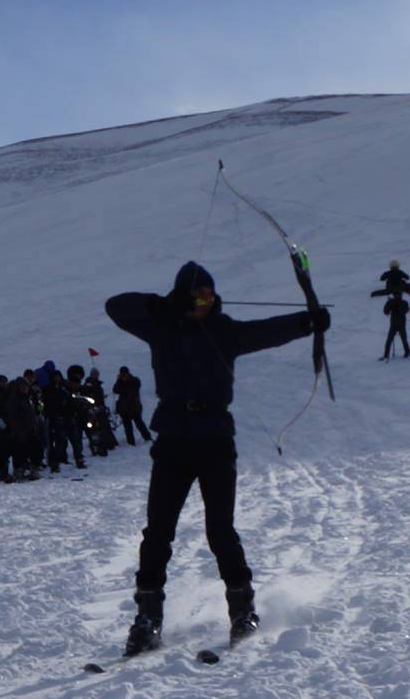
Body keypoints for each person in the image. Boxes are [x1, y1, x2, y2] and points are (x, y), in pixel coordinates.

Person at [104, 261, 330, 654]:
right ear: (183, 297)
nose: (207, 301)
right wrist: (164, 305)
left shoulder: (224, 331)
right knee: (158, 532)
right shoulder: (160, 327)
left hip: (215, 442)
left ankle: (243, 612)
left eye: (210, 294)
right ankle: (147, 620)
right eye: (200, 295)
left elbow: (266, 332)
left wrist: (307, 322)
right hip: (173, 441)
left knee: (220, 531)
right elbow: (115, 306)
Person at [112, 365, 150, 446]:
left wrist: (125, 381)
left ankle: (147, 438)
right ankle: (131, 442)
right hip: (124, 409)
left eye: (125, 374)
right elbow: (115, 390)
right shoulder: (120, 382)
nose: (124, 376)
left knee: (139, 424)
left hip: (134, 407)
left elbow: (135, 386)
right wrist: (118, 381)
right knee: (128, 427)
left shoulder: (135, 380)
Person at [381, 290, 410, 360]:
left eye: (398, 295)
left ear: (400, 295)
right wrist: (388, 303)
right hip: (394, 324)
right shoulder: (392, 302)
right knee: (389, 340)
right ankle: (386, 355)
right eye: (396, 295)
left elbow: (405, 310)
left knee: (403, 339)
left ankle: (407, 351)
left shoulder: (404, 302)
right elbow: (385, 311)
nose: (397, 296)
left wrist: (393, 304)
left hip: (401, 324)